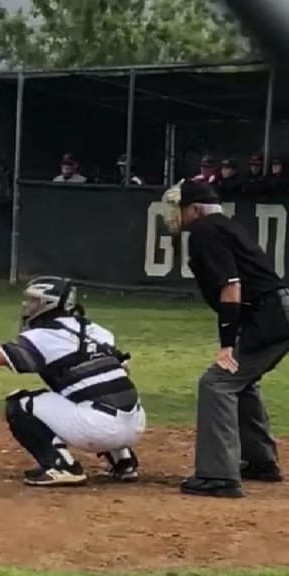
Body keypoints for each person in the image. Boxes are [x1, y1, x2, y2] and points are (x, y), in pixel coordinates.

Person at [0, 276, 145, 487]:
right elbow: (123, 365)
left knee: (20, 404)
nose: (28, 305)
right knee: (88, 391)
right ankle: (123, 461)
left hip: (97, 429)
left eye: (34, 300)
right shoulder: (97, 331)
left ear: (49, 303)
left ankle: (61, 467)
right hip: (136, 424)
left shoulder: (44, 335)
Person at [162, 180, 289, 498]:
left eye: (179, 208)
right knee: (240, 381)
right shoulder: (223, 226)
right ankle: (260, 462)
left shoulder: (205, 231)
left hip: (271, 315)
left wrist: (227, 345)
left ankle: (219, 476)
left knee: (217, 383)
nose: (175, 215)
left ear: (193, 209)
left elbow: (231, 286)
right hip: (275, 311)